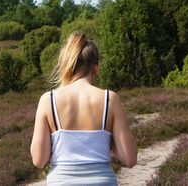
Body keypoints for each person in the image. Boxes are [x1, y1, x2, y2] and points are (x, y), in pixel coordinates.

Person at [30, 32, 137, 185]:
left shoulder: (48, 100)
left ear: (68, 64)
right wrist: (110, 141)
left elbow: (39, 160)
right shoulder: (110, 99)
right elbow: (130, 159)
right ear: (96, 68)